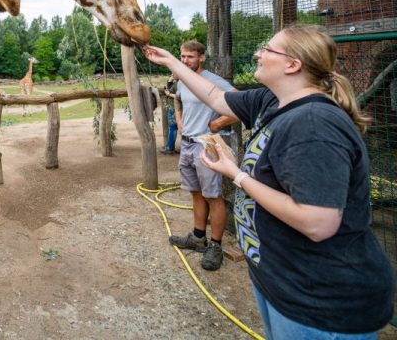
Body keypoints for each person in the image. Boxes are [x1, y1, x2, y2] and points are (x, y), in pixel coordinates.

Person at [144, 25, 394, 338]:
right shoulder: (271, 101)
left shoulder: (314, 123)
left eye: (268, 49)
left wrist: (237, 175)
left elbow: (318, 222)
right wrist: (171, 62)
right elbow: (216, 96)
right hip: (282, 281)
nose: (258, 54)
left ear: (293, 65)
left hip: (320, 301)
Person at [165, 40, 238, 271]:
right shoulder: (184, 80)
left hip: (205, 145)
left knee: (213, 196)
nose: (185, 61)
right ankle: (198, 238)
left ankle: (215, 246)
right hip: (186, 145)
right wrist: (179, 119)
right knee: (196, 193)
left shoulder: (213, 81)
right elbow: (178, 99)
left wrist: (217, 123)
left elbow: (239, 103)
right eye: (182, 57)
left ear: (202, 57)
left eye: (190, 57)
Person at [159, 74, 180, 155]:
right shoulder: (177, 82)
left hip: (174, 108)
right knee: (173, 128)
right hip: (173, 107)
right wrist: (170, 80)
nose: (172, 74)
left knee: (172, 128)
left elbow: (179, 95)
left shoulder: (180, 84)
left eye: (174, 72)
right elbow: (170, 88)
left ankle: (170, 148)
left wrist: (168, 94)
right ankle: (169, 146)